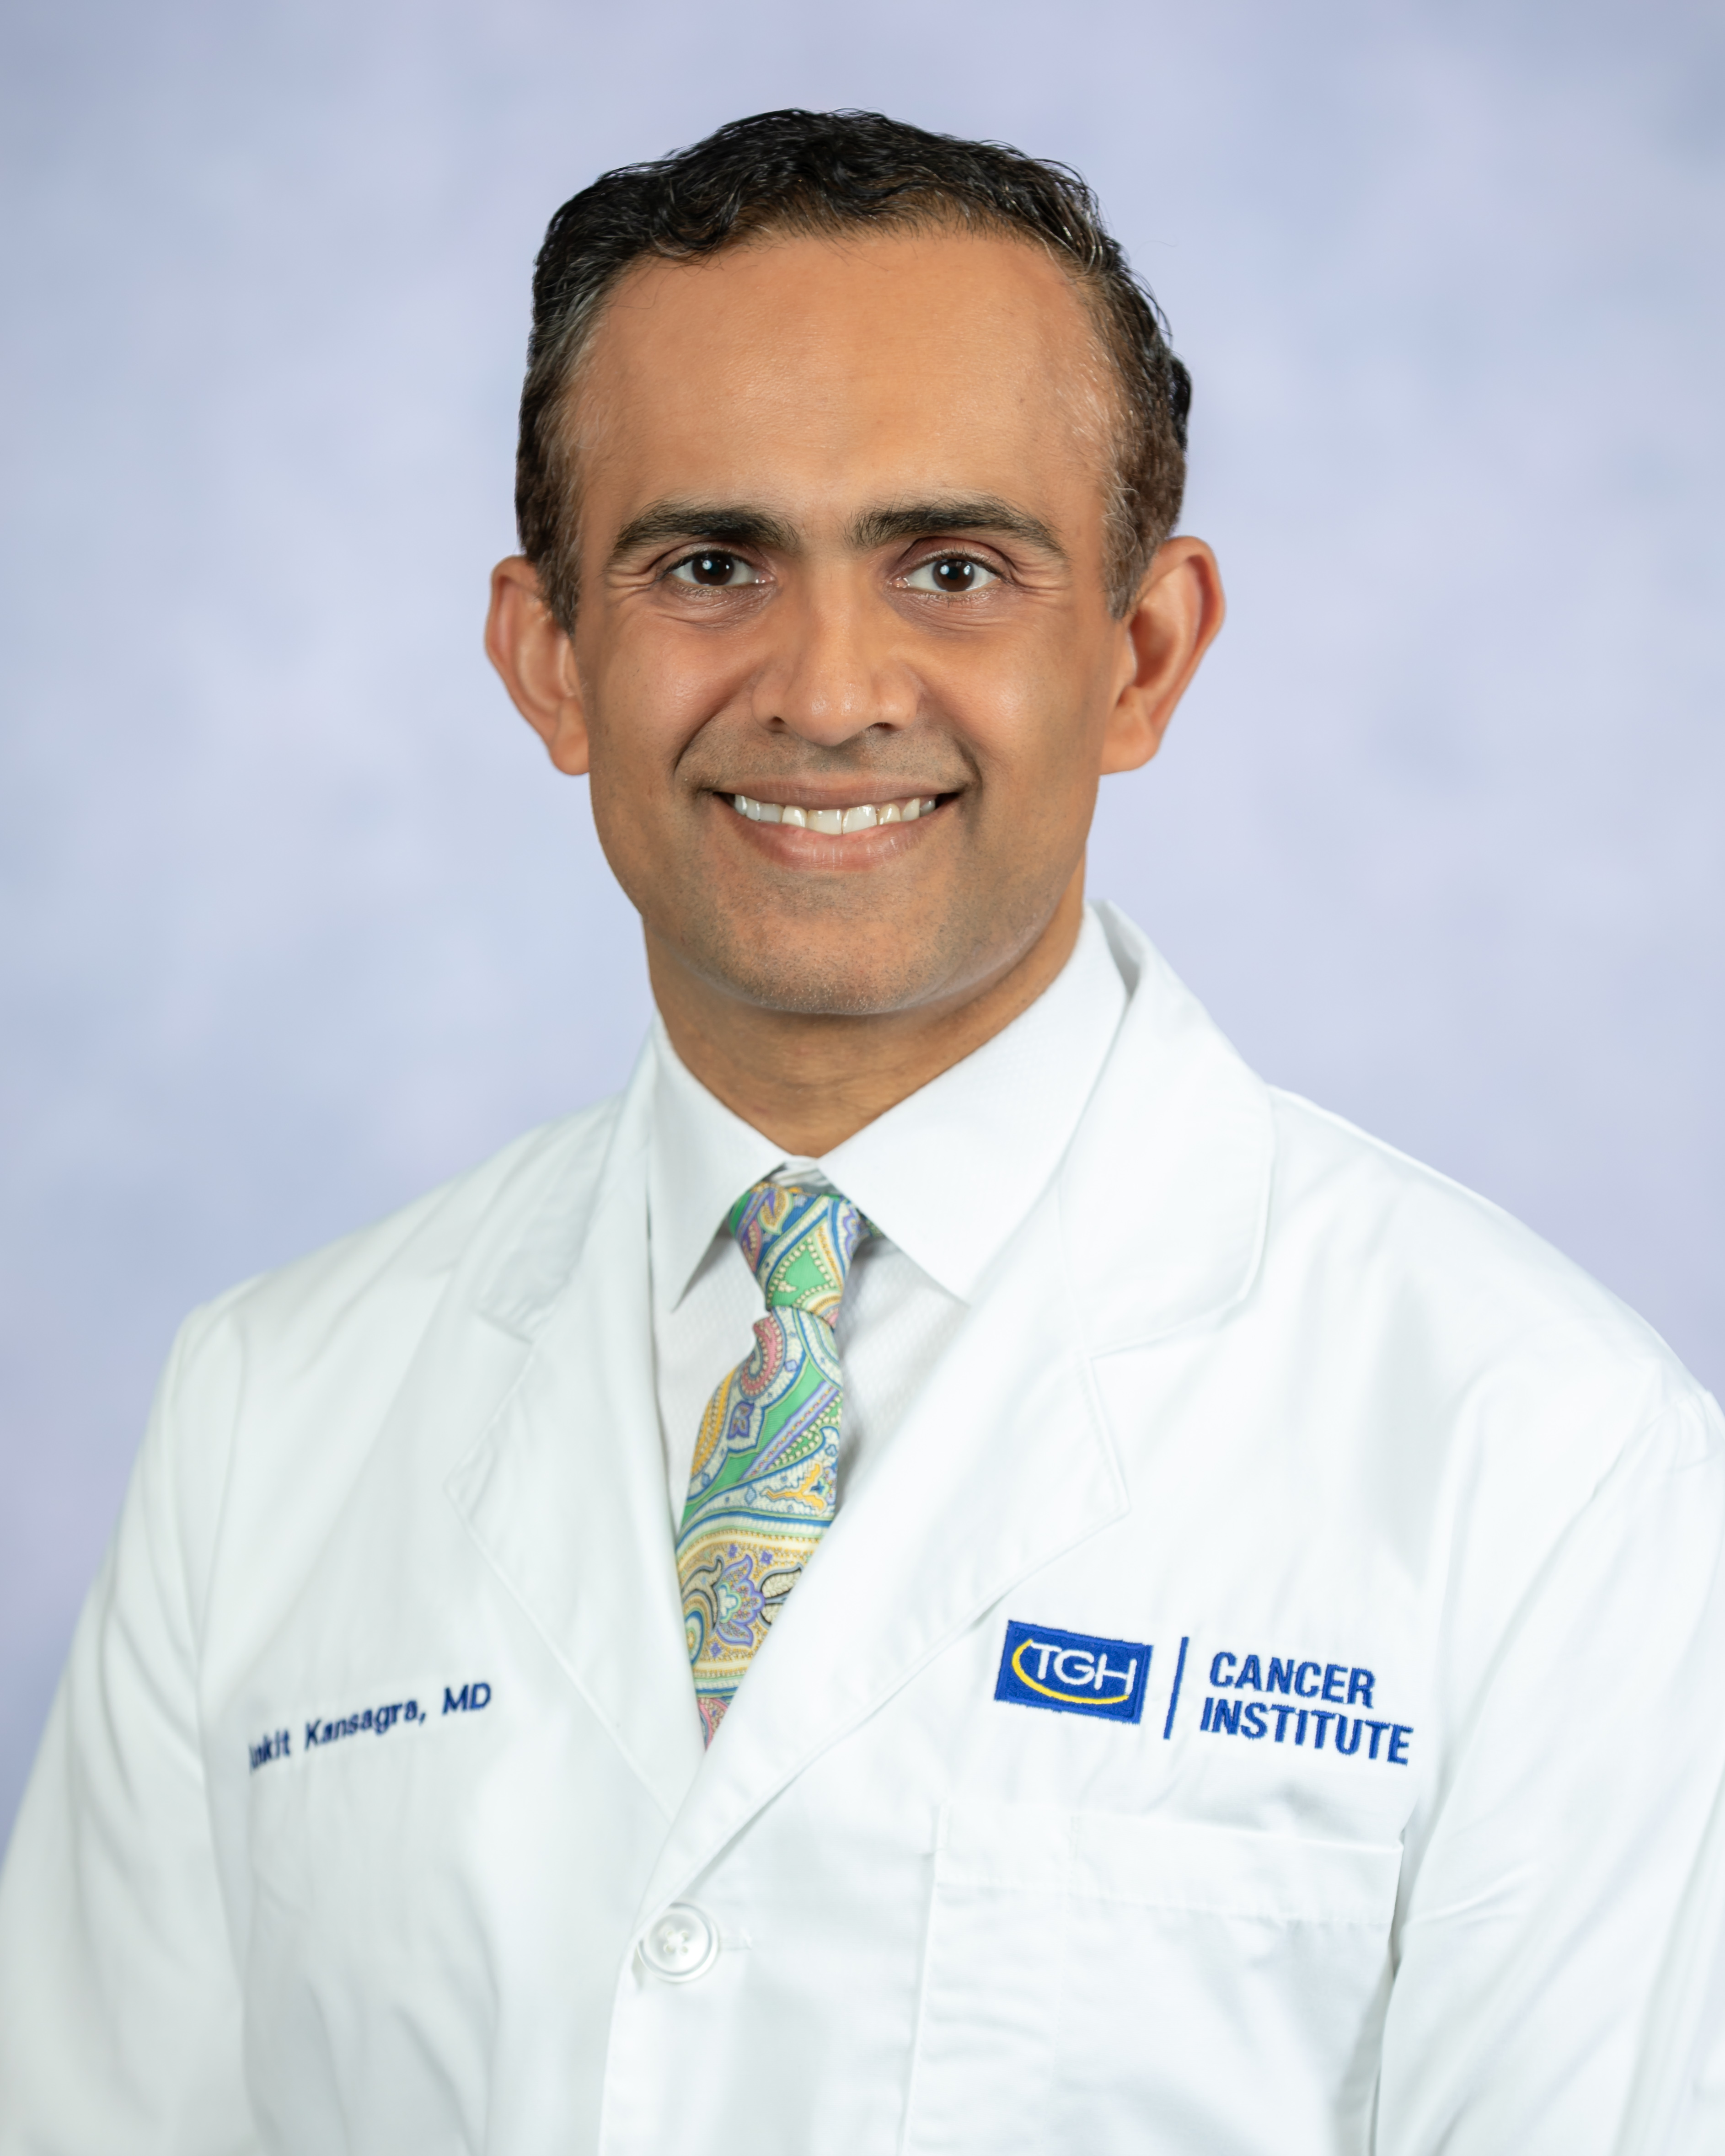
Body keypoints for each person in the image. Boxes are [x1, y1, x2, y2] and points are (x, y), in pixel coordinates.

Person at [0, 107, 1720, 2156]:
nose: (827, 691)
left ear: (1142, 652)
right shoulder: (265, 1417)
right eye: (709, 564)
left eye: (953, 567)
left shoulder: (1541, 1455)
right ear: (551, 657)